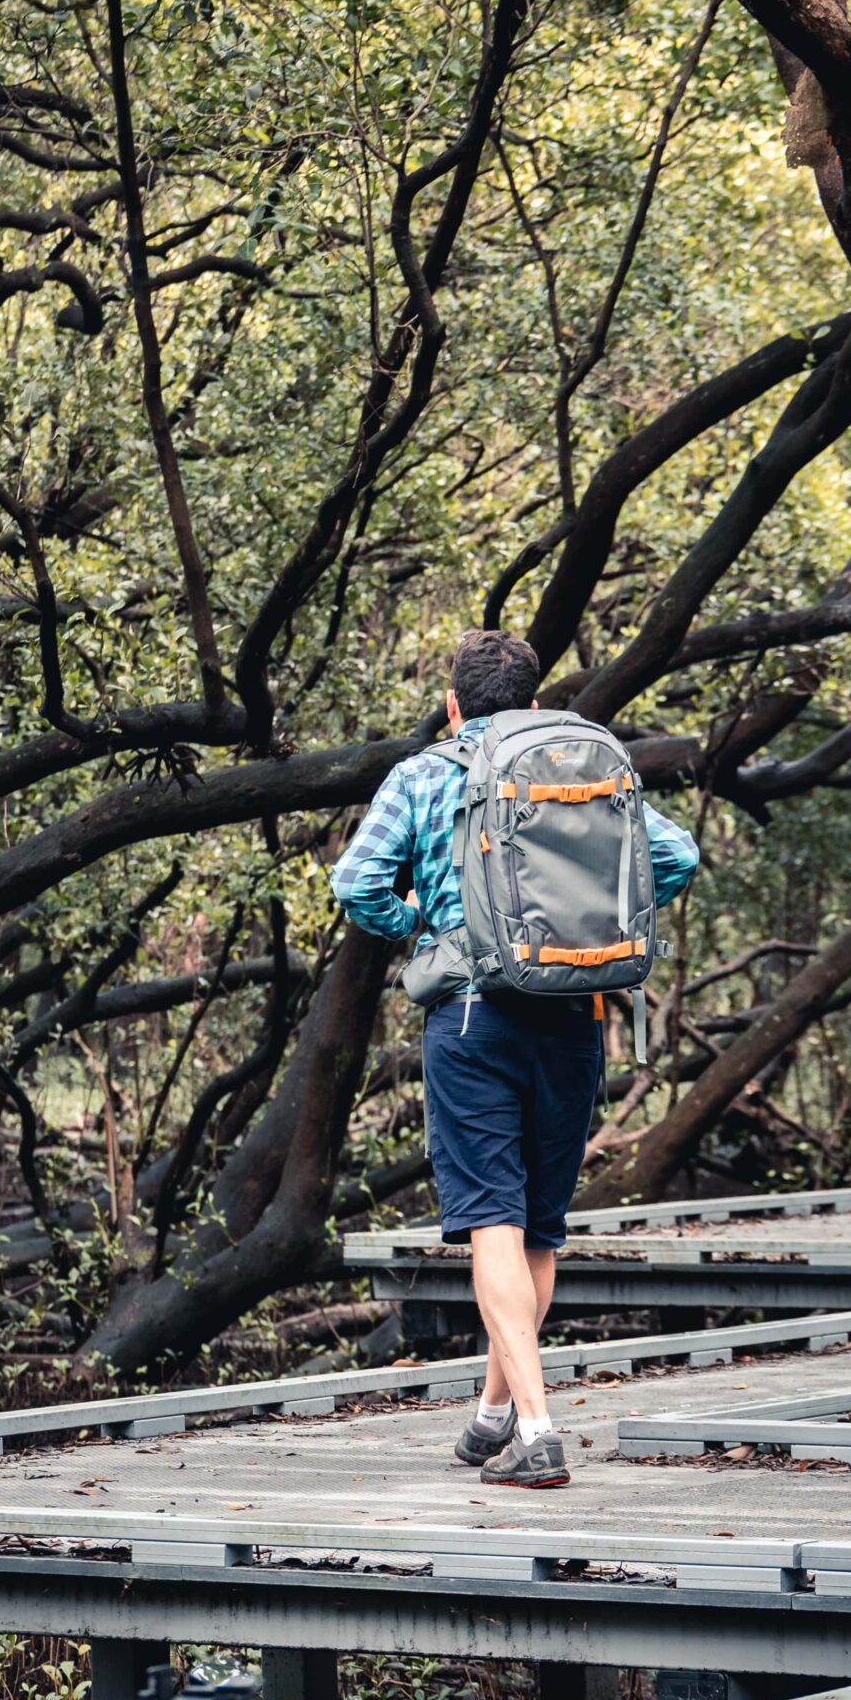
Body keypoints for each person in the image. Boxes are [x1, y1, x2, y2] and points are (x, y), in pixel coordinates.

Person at [331, 629, 700, 1486]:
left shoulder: (426, 774)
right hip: (575, 1011)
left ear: (455, 703)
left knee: (490, 1220)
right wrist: (606, 928)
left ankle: (537, 1431)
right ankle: (497, 1411)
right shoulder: (579, 765)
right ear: (533, 702)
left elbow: (356, 884)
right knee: (537, 1226)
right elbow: (676, 856)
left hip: (472, 1018)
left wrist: (423, 926)